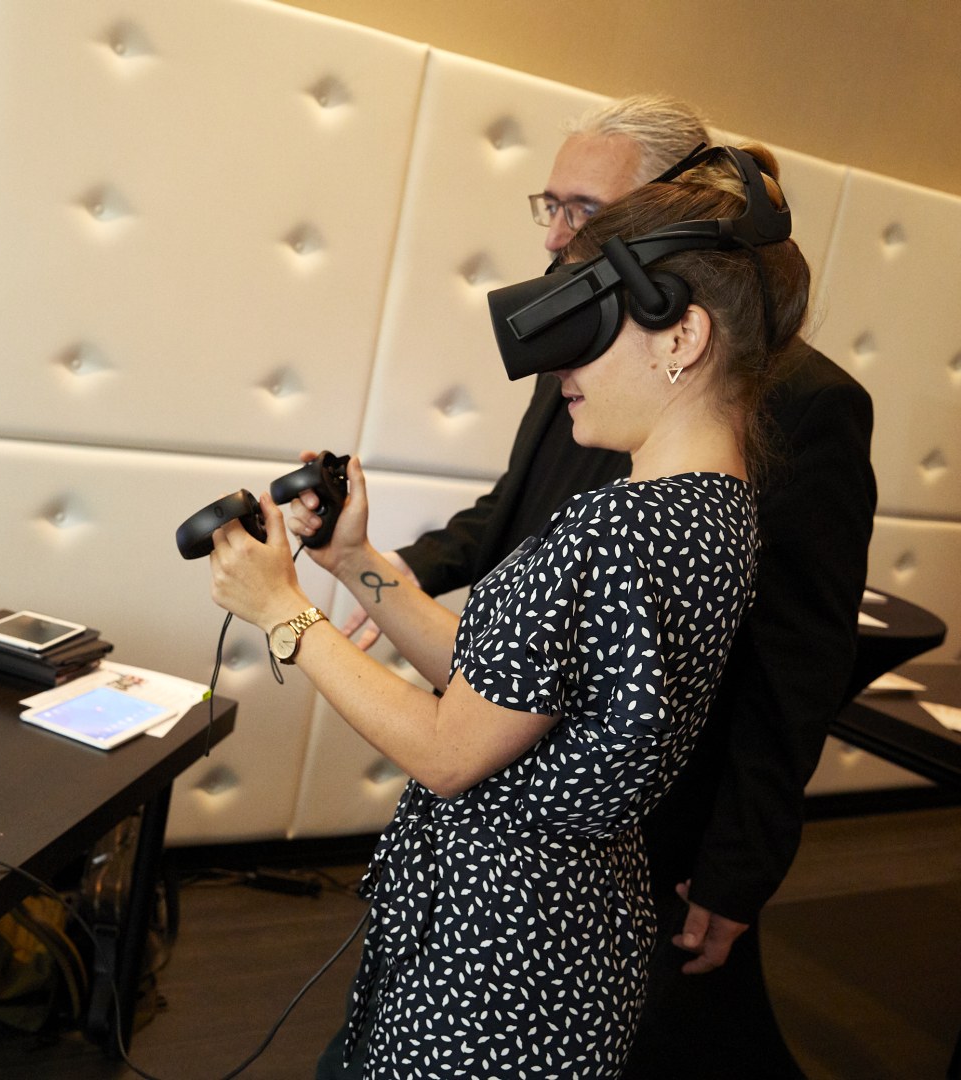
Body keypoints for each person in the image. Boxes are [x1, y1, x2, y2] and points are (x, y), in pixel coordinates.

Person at [295, 96, 875, 1077]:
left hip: (540, 903)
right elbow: (514, 604)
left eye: (587, 214)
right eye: (551, 207)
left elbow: (796, 672)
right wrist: (361, 562)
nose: (558, 238)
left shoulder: (717, 457)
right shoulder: (701, 487)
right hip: (555, 888)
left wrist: (282, 615)